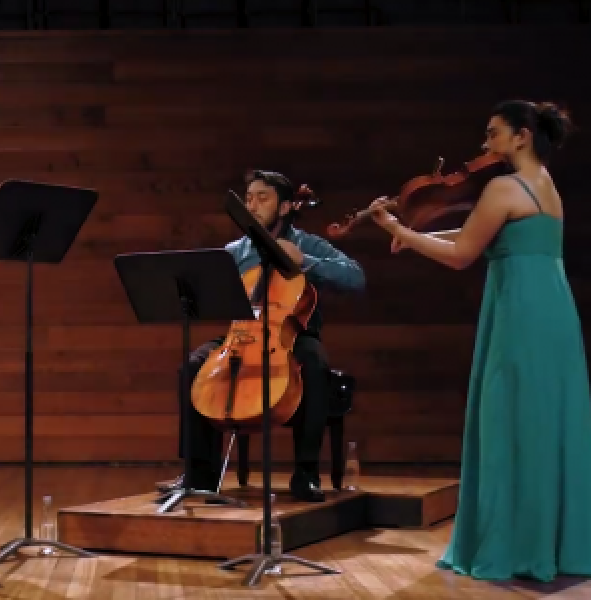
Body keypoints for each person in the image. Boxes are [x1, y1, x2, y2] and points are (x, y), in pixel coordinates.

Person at [367, 100, 591, 582]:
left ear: (522, 136)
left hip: (521, 315)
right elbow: (488, 235)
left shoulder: (505, 186)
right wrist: (414, 235)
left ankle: (510, 547)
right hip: (552, 309)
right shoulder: (545, 185)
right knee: (543, 423)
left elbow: (464, 252)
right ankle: (548, 545)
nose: (485, 144)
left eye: (494, 134)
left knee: (509, 423)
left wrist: (400, 229)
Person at [159, 169, 365, 502]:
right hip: (241, 334)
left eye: (263, 198)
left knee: (313, 365)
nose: (253, 205)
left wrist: (307, 261)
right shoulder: (234, 251)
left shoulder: (307, 243)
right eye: (249, 198)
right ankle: (199, 474)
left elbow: (355, 278)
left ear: (285, 207)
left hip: (293, 335)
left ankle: (306, 475)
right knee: (192, 366)